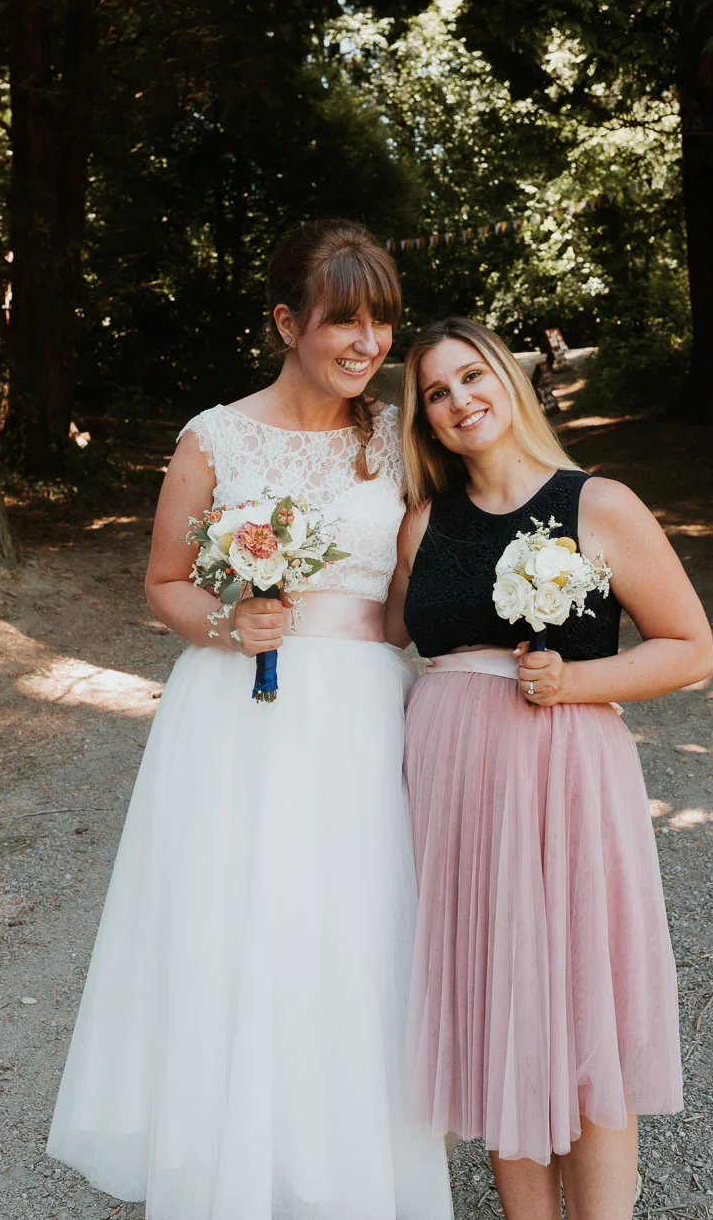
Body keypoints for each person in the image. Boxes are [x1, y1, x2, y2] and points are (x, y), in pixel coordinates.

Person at [47, 221, 454, 1220]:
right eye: (343, 323)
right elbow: (165, 582)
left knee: (351, 930)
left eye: (381, 324)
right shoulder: (214, 437)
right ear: (286, 322)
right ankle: (224, 1159)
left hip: (361, 714)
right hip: (235, 708)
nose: (366, 345)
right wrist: (230, 620)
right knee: (233, 924)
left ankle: (340, 1165)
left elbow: (413, 596)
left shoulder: (396, 435)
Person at [385, 317, 713, 1220]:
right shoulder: (423, 519)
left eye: (471, 376)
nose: (459, 401)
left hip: (566, 767)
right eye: (436, 393)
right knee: (496, 1003)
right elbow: (377, 634)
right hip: (453, 781)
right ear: (423, 419)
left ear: (511, 379)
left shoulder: (597, 502)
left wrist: (576, 678)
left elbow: (690, 649)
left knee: (580, 1004)